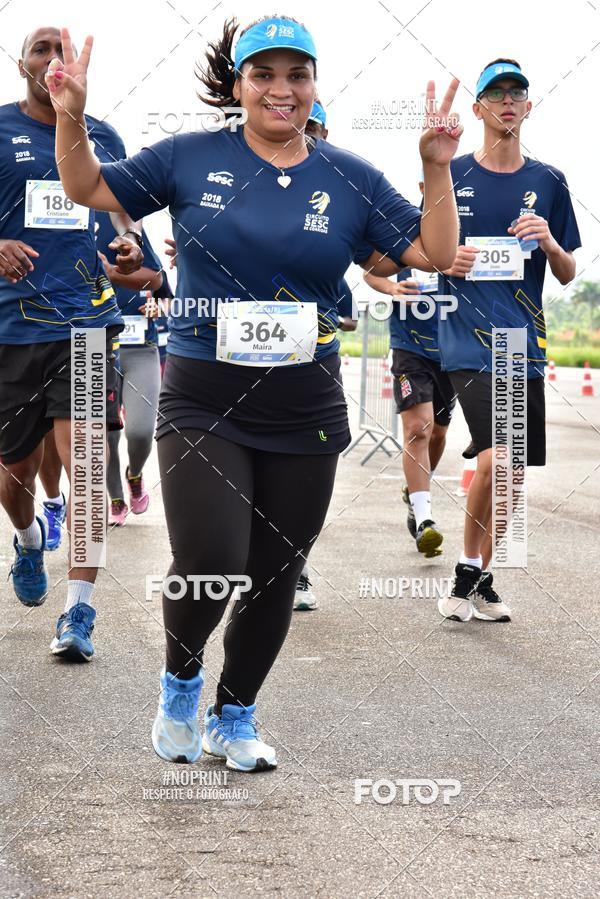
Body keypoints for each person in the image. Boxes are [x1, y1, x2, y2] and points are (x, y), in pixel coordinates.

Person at [48, 17, 461, 770]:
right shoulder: (188, 156)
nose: (282, 89)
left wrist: (436, 167)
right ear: (237, 85)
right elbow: (85, 184)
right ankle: (181, 680)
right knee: (211, 554)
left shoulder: (350, 176)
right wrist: (72, 115)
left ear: (313, 84)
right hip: (204, 396)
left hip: (305, 405)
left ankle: (233, 714)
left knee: (274, 572)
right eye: (263, 74)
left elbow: (433, 251)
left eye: (296, 74)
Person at [0, 26, 143, 663]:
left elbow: (123, 218)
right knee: (14, 476)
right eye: (41, 50)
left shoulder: (103, 137)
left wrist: (128, 247)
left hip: (85, 323)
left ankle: (78, 613)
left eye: (65, 51)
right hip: (9, 330)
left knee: (84, 465)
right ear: (22, 63)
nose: (54, 61)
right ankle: (29, 540)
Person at [433, 59, 580, 622]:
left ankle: (481, 577)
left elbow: (567, 273)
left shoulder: (548, 182)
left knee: (514, 470)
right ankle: (466, 571)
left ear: (528, 105)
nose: (507, 101)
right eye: (495, 93)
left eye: (517, 92)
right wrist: (451, 258)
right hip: (465, 340)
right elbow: (420, 254)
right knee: (497, 457)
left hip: (524, 343)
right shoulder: (452, 175)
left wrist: (548, 242)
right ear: (478, 108)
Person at [364, 178, 456, 558]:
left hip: (452, 350)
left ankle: (412, 491)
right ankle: (424, 519)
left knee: (437, 435)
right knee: (419, 428)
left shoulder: (457, 235)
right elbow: (370, 271)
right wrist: (391, 289)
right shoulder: (405, 236)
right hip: (409, 349)